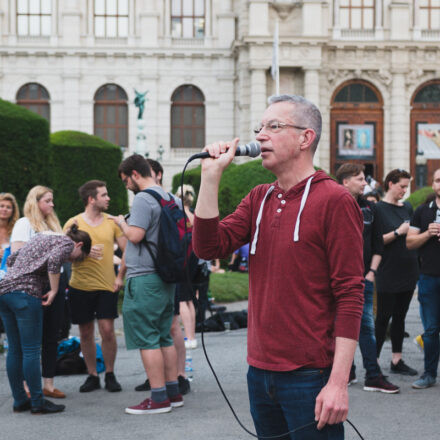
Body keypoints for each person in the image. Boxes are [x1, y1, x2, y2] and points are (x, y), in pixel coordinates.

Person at [193, 94, 364, 439]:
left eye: (274, 126)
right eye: (260, 127)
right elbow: (208, 246)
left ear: (305, 138)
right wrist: (210, 178)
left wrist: (338, 383)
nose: (260, 136)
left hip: (310, 375)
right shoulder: (259, 197)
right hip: (259, 372)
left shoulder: (335, 200)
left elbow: (350, 294)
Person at [113, 154, 183, 415]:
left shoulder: (143, 198)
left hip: (144, 277)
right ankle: (173, 392)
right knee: (164, 334)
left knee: (147, 339)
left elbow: (136, 235)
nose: (126, 187)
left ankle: (158, 398)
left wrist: (122, 222)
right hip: (165, 276)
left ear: (134, 174)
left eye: (125, 181)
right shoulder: (169, 197)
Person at [0, 225, 91, 414]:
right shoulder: (66, 242)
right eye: (78, 257)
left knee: (15, 350)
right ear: (79, 244)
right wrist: (55, 289)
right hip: (26, 294)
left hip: (5, 291)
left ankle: (19, 400)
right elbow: (55, 261)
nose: (72, 261)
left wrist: (17, 276)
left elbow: (11, 258)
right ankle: (37, 402)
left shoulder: (40, 238)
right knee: (32, 350)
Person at [336, 164, 399, 394]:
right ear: (345, 181)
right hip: (335, 281)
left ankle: (372, 375)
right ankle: (347, 371)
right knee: (337, 326)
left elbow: (377, 245)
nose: (365, 183)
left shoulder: (370, 209)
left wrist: (371, 273)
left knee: (365, 327)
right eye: (360, 179)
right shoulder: (331, 205)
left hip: (362, 279)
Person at [63, 180, 126, 393]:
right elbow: (63, 255)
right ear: (91, 199)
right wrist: (86, 252)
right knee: (86, 332)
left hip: (107, 285)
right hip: (80, 286)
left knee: (108, 331)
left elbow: (127, 251)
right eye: (104, 195)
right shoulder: (73, 223)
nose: (108, 198)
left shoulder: (112, 222)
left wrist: (121, 277)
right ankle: (92, 375)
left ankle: (110, 373)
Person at [134, 158, 191, 396]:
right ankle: (164, 377)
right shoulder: (162, 200)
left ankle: (179, 375)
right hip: (167, 267)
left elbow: (191, 223)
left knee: (170, 326)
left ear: (156, 174)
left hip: (166, 268)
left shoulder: (162, 199)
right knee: (164, 327)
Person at [10, 186, 67, 399]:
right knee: (30, 339)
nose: (52, 205)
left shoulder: (53, 224)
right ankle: (27, 386)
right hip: (33, 284)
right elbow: (17, 256)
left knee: (53, 335)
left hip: (57, 282)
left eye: (52, 201)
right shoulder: (23, 224)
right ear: (36, 201)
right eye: (48, 200)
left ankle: (48, 384)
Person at [374, 169, 419, 376]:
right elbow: (375, 242)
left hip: (409, 269)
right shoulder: (378, 209)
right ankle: (372, 362)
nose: (404, 190)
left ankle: (396, 360)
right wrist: (397, 232)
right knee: (382, 318)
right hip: (387, 271)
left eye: (407, 187)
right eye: (402, 186)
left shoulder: (407, 207)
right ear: (390, 184)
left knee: (400, 317)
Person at [407, 168, 440, 389]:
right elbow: (409, 242)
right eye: (438, 180)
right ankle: (429, 374)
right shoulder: (422, 210)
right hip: (429, 278)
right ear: (433, 184)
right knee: (430, 330)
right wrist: (427, 234)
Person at [175, 184, 198, 349]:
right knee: (189, 298)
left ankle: (189, 337)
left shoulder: (178, 216)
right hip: (194, 258)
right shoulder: (194, 216)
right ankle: (192, 336)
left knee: (182, 300)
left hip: (182, 258)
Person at [0, 193, 20, 277]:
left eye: (8, 207)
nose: (4, 209)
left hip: (8, 273)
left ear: (13, 212)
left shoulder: (16, 231)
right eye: (2, 206)